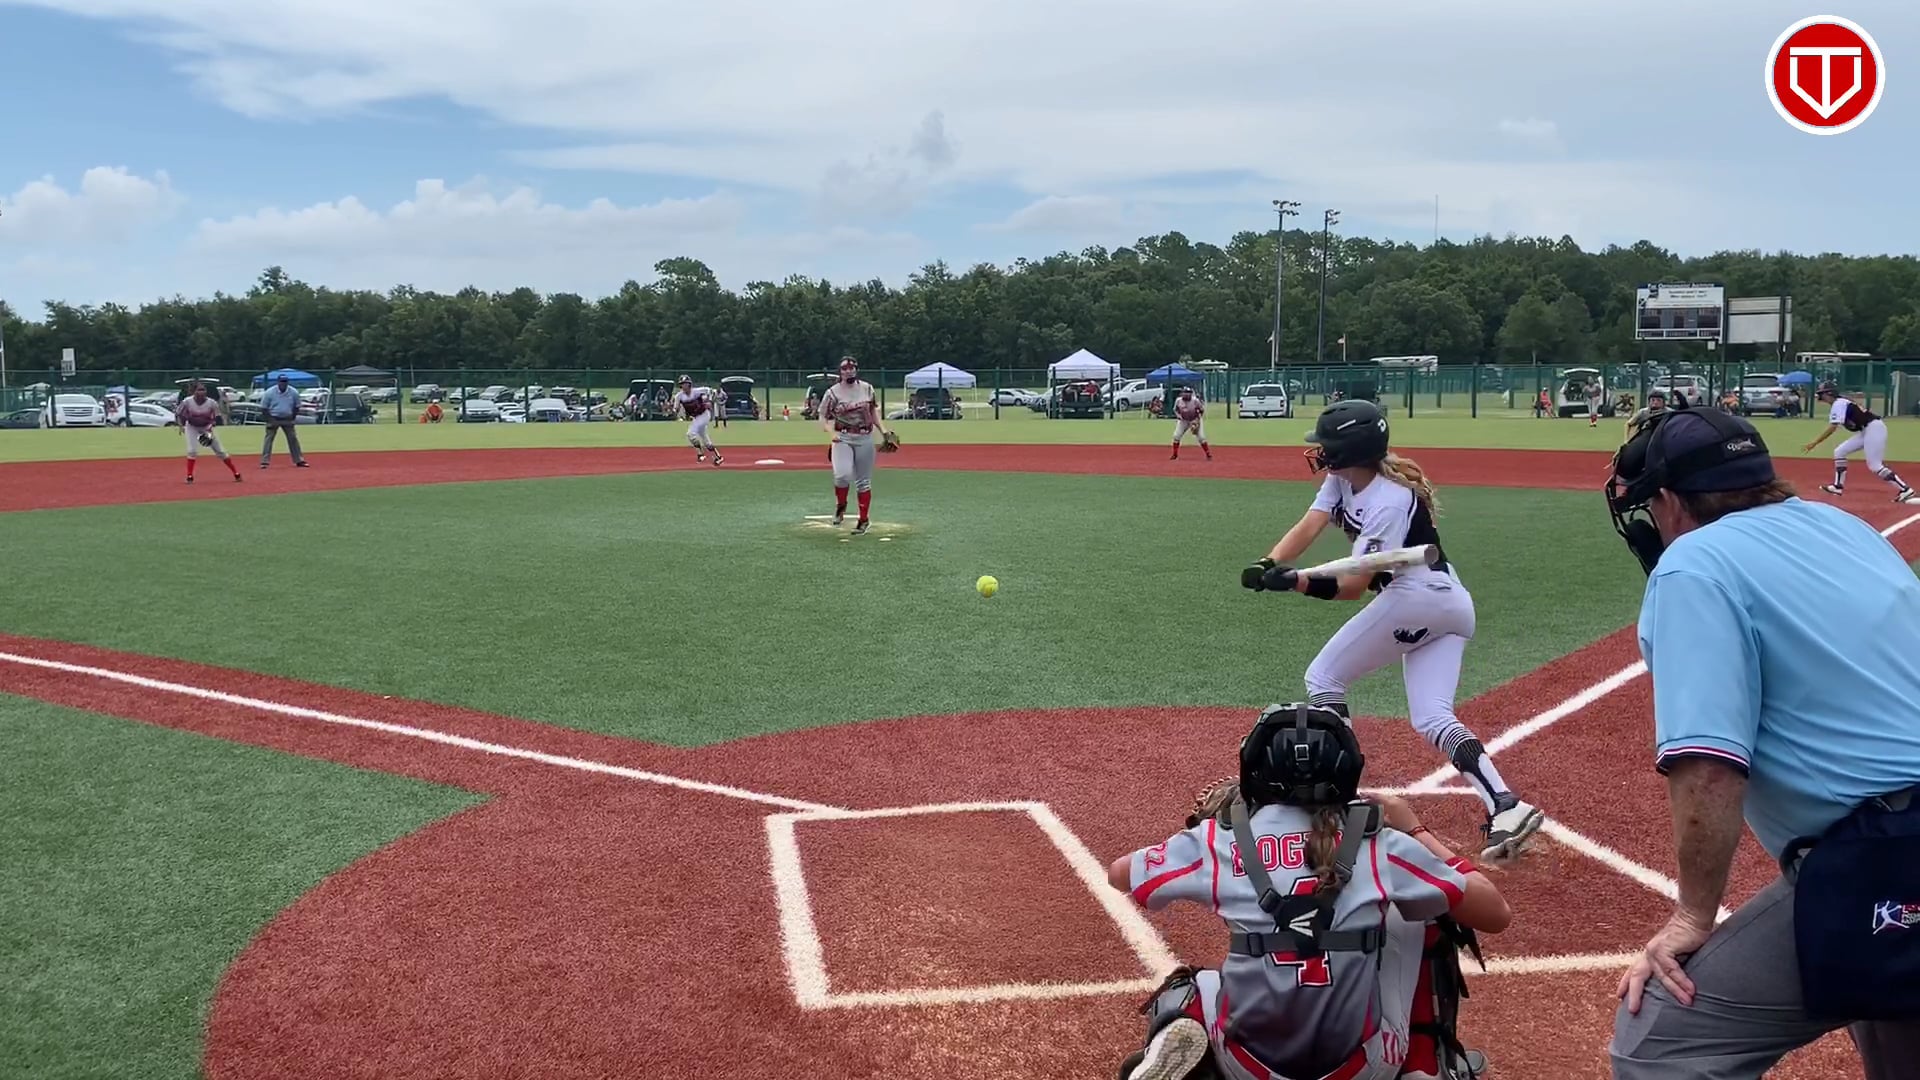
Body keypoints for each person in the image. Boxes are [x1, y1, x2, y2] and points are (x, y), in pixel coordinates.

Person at [1603, 403, 1920, 1078]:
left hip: (1889, 855)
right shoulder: (1842, 526)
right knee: (1894, 1029)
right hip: (1889, 843)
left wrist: (1693, 915)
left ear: (1669, 501)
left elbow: (1709, 766)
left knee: (1658, 1046)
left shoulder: (1692, 564)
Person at [1107, 702, 1511, 1080]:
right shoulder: (1380, 844)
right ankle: (1423, 1066)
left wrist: (1206, 846)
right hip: (1361, 1068)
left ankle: (1178, 1031)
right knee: (1419, 907)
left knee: (1191, 988)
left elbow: (1120, 874)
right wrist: (1414, 829)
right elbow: (1495, 914)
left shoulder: (1220, 841)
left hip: (1249, 1067)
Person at [1242, 399, 1544, 860]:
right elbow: (1311, 523)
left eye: (1326, 446)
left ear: (1349, 450)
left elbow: (1352, 588)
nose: (1319, 453)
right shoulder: (1342, 480)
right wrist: (1269, 562)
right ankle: (1506, 805)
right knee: (1432, 716)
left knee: (1324, 677)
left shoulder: (1389, 501)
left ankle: (1338, 800)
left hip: (1417, 596)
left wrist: (1298, 582)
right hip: (1448, 602)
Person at [818, 356, 897, 535]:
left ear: (856, 370)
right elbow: (822, 416)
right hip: (843, 437)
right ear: (840, 372)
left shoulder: (867, 388)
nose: (849, 371)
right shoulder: (833, 393)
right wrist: (831, 433)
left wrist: (884, 431)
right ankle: (841, 505)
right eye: (845, 369)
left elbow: (873, 411)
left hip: (864, 436)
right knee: (842, 475)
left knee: (863, 481)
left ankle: (863, 520)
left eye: (852, 368)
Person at [1805, 382, 1915, 503]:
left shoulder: (1838, 404)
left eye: (1822, 394)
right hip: (1867, 430)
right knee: (1840, 452)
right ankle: (1838, 487)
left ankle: (1905, 489)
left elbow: (1833, 427)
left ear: (1829, 393)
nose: (1821, 397)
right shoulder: (1841, 402)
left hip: (1874, 428)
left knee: (1875, 465)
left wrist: (1815, 442)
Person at [174, 382, 242, 484]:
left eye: (203, 389)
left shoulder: (211, 403)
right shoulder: (187, 402)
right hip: (192, 427)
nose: (202, 392)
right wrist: (180, 426)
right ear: (193, 391)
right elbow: (178, 414)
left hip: (206, 427)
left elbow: (216, 417)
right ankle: (189, 476)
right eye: (199, 390)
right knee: (192, 451)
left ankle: (236, 473)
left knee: (221, 452)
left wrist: (210, 428)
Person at [259, 373, 309, 469]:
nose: (283, 383)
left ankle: (299, 460)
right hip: (273, 417)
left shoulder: (293, 392)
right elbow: (264, 408)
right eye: (282, 381)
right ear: (278, 382)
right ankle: (264, 462)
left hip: (287, 418)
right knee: (268, 439)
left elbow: (297, 406)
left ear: (287, 382)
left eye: (285, 381)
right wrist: (270, 420)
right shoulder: (270, 392)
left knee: (293, 439)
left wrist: (292, 418)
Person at [672, 375, 723, 466]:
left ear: (689, 384)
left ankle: (700, 454)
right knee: (706, 441)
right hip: (696, 417)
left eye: (686, 383)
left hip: (704, 414)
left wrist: (709, 401)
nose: (684, 386)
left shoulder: (697, 391)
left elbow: (712, 391)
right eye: (682, 384)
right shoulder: (679, 396)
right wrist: (674, 411)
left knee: (690, 434)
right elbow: (675, 408)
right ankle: (719, 457)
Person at [1170, 386, 1211, 461]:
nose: (1187, 394)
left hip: (1194, 419)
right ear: (1182, 393)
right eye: (1185, 392)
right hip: (1183, 420)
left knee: (1201, 437)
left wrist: (1197, 420)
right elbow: (1175, 409)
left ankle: (1208, 454)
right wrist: (1178, 416)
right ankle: (1175, 455)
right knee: (1176, 436)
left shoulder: (1195, 401)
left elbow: (1201, 410)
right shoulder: (1178, 400)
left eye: (1189, 393)